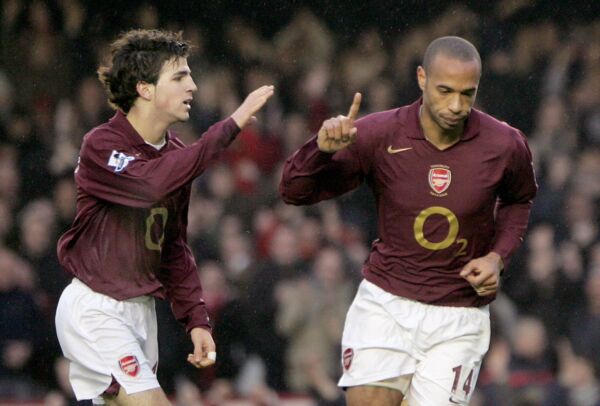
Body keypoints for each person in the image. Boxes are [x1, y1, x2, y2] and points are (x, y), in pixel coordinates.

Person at [279, 36, 537, 406]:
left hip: (459, 314)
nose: (456, 105)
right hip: (386, 303)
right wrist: (318, 150)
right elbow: (293, 191)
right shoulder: (379, 134)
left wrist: (498, 257)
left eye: (467, 94)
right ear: (421, 78)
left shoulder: (504, 144)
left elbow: (519, 199)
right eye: (445, 91)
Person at [54, 29, 274, 405]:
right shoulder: (102, 145)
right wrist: (229, 127)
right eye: (179, 76)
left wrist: (197, 319)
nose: (193, 86)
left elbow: (172, 248)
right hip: (96, 306)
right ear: (145, 89)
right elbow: (149, 185)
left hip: (142, 313)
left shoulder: (174, 154)